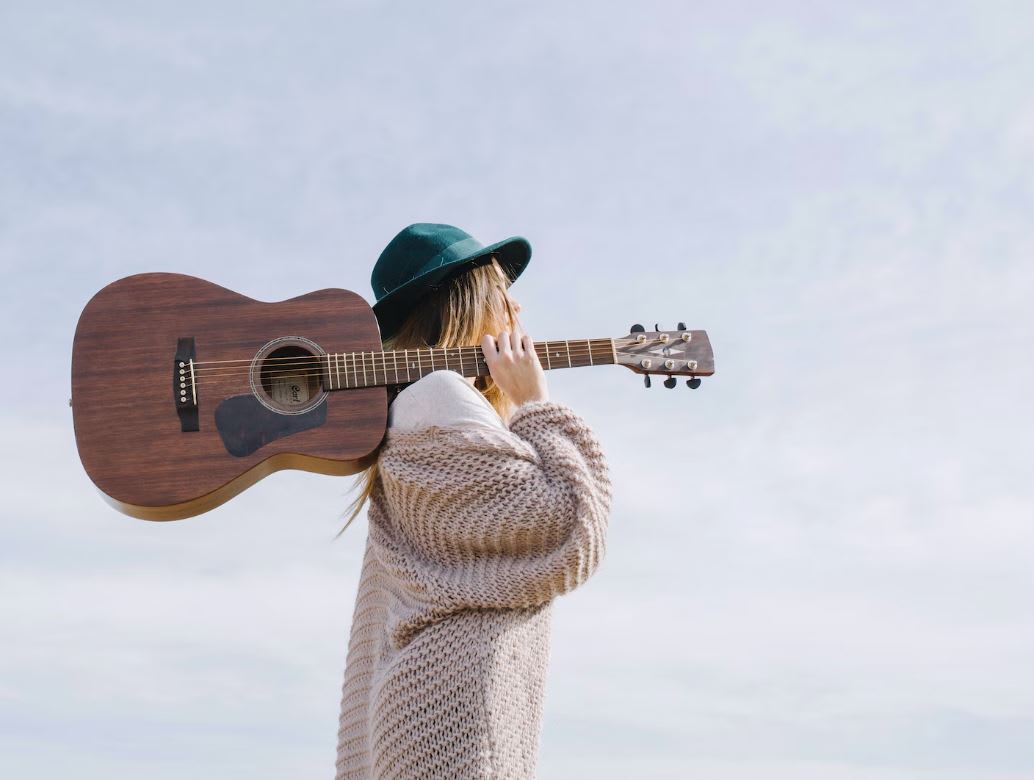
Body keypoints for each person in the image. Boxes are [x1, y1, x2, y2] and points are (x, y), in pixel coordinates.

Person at [334, 223, 612, 780]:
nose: (517, 313)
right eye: (505, 296)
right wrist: (536, 403)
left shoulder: (410, 416)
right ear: (472, 304)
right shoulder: (438, 397)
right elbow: (568, 526)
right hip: (456, 717)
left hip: (427, 710)